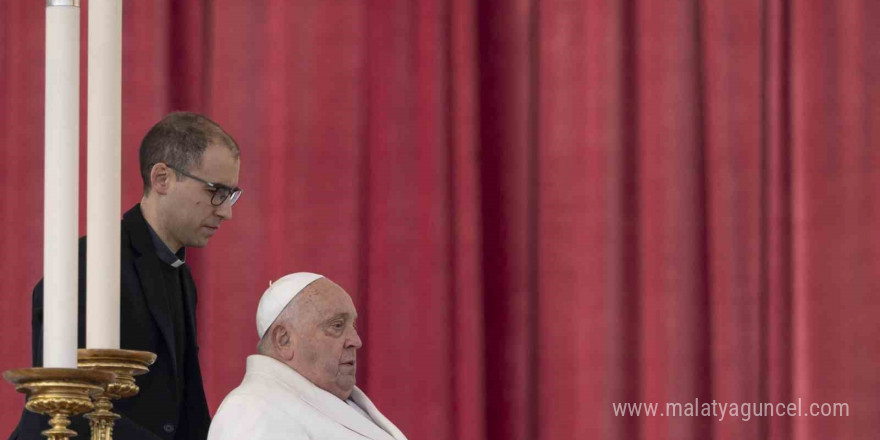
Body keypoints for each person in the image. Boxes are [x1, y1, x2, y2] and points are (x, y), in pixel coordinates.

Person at [10, 112, 242, 440]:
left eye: (231, 194)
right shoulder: (88, 264)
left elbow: (181, 403)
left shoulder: (180, 274)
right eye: (216, 191)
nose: (226, 210)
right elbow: (65, 400)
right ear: (162, 178)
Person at [208, 273, 408, 440]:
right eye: (337, 325)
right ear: (284, 340)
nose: (356, 341)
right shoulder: (250, 412)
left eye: (353, 326)